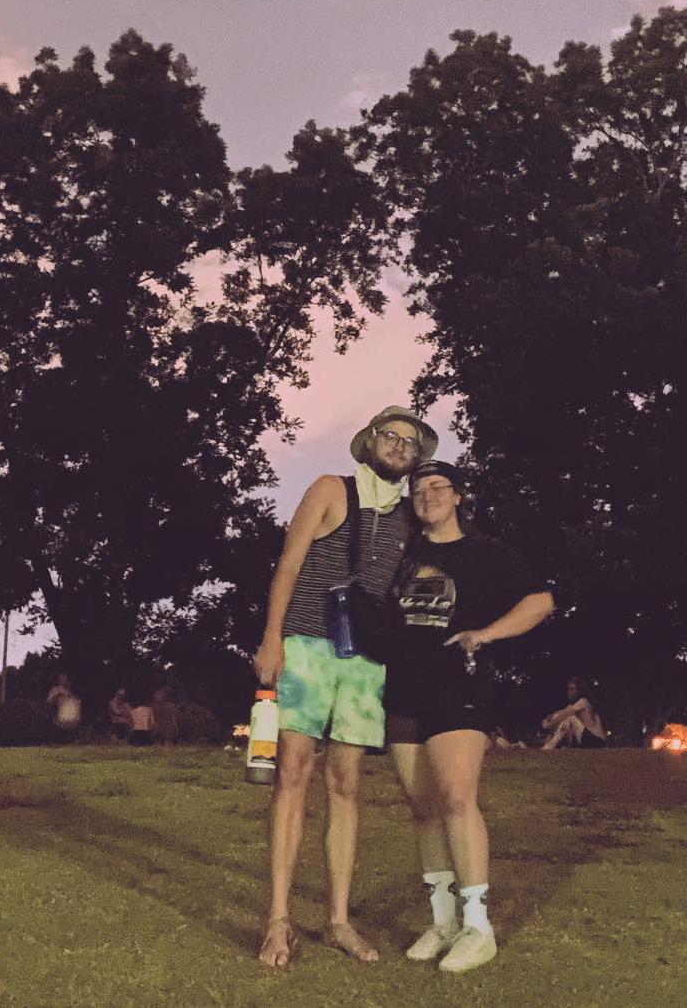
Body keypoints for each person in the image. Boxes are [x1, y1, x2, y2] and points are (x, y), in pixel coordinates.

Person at [253, 405, 438, 967]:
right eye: (391, 436)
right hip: (307, 643)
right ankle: (278, 920)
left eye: (410, 442)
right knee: (292, 772)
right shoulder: (331, 489)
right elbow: (288, 565)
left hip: (364, 660)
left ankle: (338, 920)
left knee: (347, 783)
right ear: (370, 441)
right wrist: (272, 638)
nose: (399, 446)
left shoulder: (411, 516)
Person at [387, 460, 555, 974]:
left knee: (457, 799)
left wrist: (485, 635)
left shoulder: (485, 552)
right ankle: (443, 922)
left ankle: (478, 927)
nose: (428, 496)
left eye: (438, 487)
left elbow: (541, 602)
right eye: (419, 490)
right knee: (423, 808)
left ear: (459, 496)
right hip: (403, 687)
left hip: (458, 686)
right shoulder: (403, 554)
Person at [540, 677, 607, 750]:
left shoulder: (583, 701)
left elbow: (565, 714)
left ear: (579, 691)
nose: (569, 692)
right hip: (587, 738)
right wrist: (550, 717)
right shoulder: (575, 704)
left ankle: (550, 745)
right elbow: (561, 712)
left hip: (595, 740)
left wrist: (549, 724)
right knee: (560, 717)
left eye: (572, 689)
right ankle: (555, 743)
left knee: (569, 718)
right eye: (568, 689)